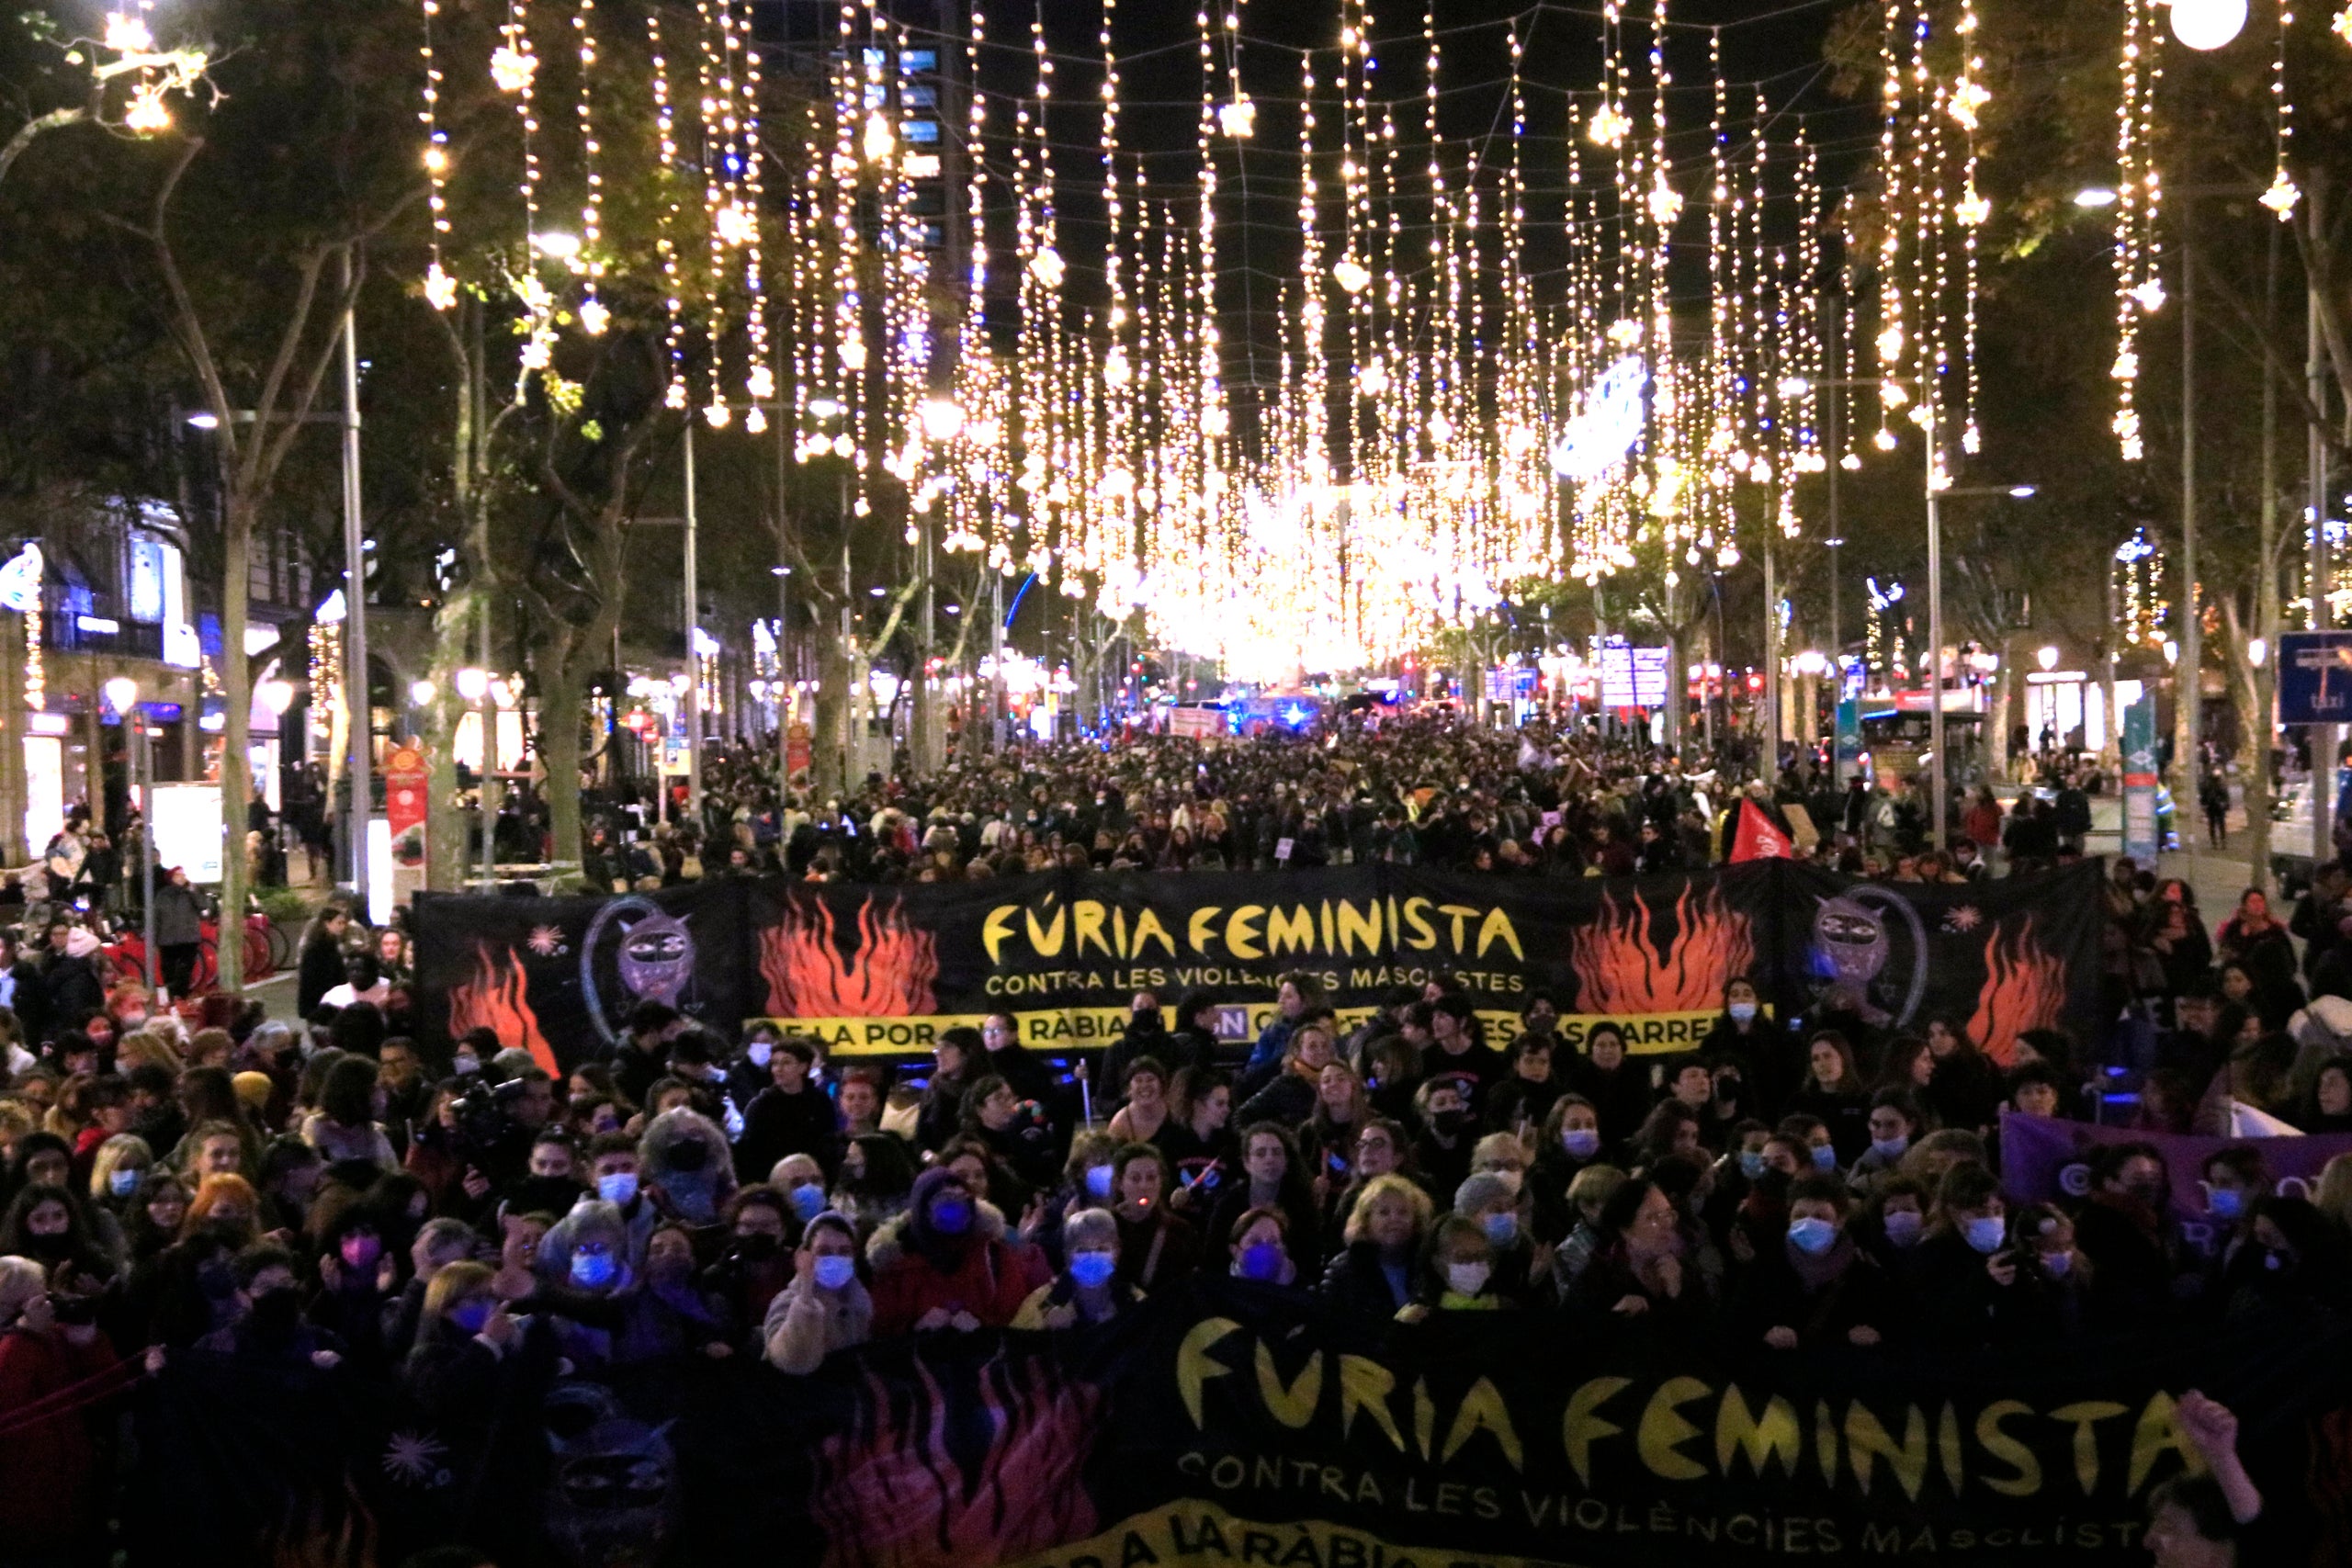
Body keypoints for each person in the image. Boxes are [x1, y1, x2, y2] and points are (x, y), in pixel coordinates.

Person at [865, 1167, 1040, 1337]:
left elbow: (1018, 1325)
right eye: (945, 1200)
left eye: (962, 1199)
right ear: (923, 1210)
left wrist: (982, 1330)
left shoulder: (995, 1258)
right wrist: (914, 1329)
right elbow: (879, 1335)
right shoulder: (894, 1269)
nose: (956, 1208)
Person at [1728, 1172, 1892, 1350]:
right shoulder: (1763, 1269)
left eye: (1820, 1216)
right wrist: (1763, 1334)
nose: (1808, 1222)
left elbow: (1888, 1326)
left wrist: (1870, 1335)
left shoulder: (1864, 1276)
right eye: (1800, 1216)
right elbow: (1737, 1325)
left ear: (1840, 1220)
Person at [763, 1212, 872, 1371]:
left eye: (844, 1251)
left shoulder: (859, 1301)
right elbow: (792, 1361)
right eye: (824, 1251)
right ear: (805, 1256)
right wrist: (806, 1298)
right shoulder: (787, 1301)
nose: (835, 1258)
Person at [1011, 1207, 1141, 1327]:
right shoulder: (1040, 1301)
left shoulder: (1135, 1300)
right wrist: (1046, 1327)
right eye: (1082, 1250)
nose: (1092, 1256)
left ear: (1117, 1252)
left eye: (1102, 1249)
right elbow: (1014, 1341)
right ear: (1068, 1254)